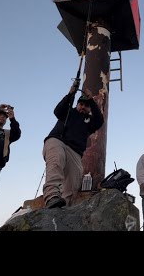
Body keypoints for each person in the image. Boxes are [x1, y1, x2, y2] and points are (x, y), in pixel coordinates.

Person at [42, 81, 104, 209]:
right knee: (56, 161)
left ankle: (63, 209)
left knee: (74, 180)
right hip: (57, 141)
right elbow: (57, 111)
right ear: (77, 104)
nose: (82, 107)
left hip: (75, 152)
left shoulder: (89, 123)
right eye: (80, 104)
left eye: (86, 106)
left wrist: (91, 100)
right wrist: (71, 93)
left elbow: (99, 121)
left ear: (89, 108)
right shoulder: (68, 112)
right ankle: (52, 195)